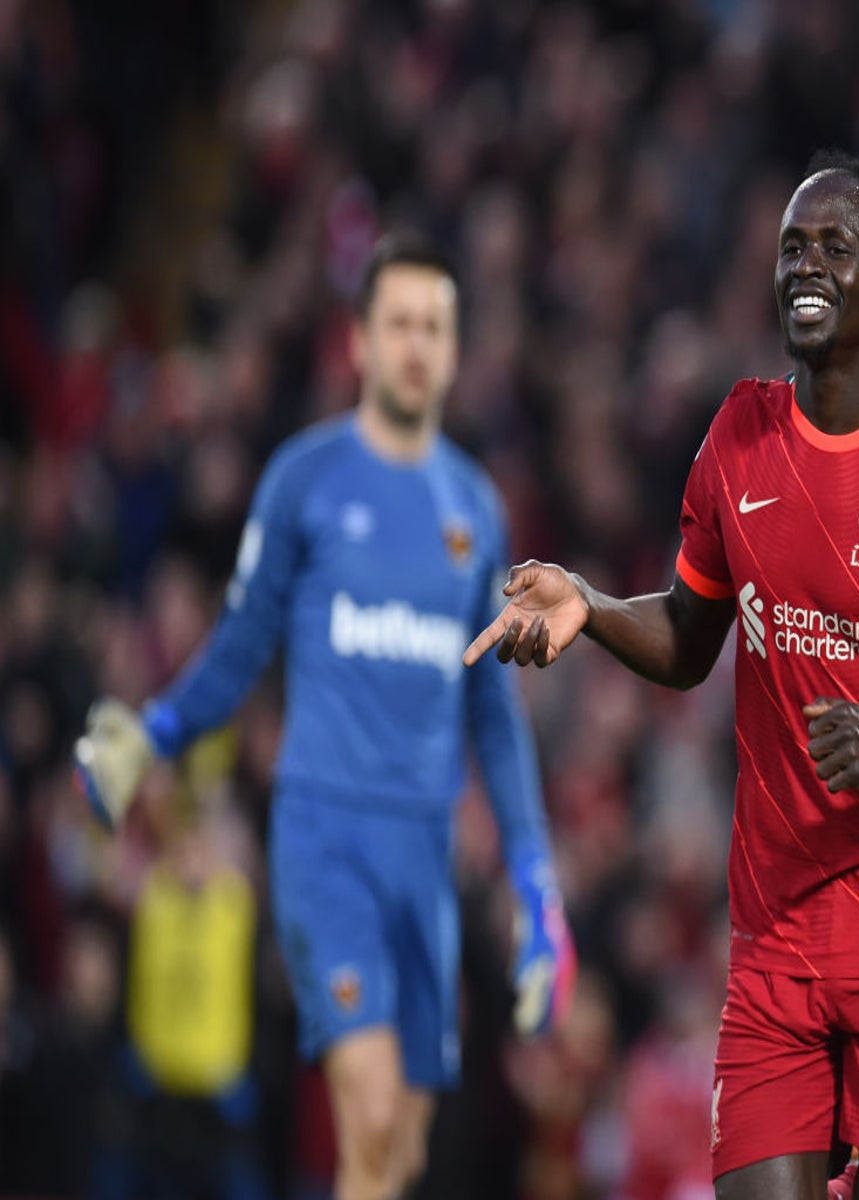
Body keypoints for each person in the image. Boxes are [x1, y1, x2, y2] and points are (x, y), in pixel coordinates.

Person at [462, 149, 859, 1200]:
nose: (806, 264)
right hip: (774, 940)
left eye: (836, 246)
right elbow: (694, 640)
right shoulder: (737, 436)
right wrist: (594, 608)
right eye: (793, 245)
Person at [74, 233, 576, 1200]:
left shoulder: (475, 507)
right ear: (358, 342)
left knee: (402, 1149)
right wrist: (159, 733)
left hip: (422, 848)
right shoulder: (304, 481)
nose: (417, 345)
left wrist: (536, 881)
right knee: (373, 1110)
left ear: (456, 346)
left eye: (435, 326)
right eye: (398, 324)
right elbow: (240, 641)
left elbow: (494, 708)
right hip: (324, 833)